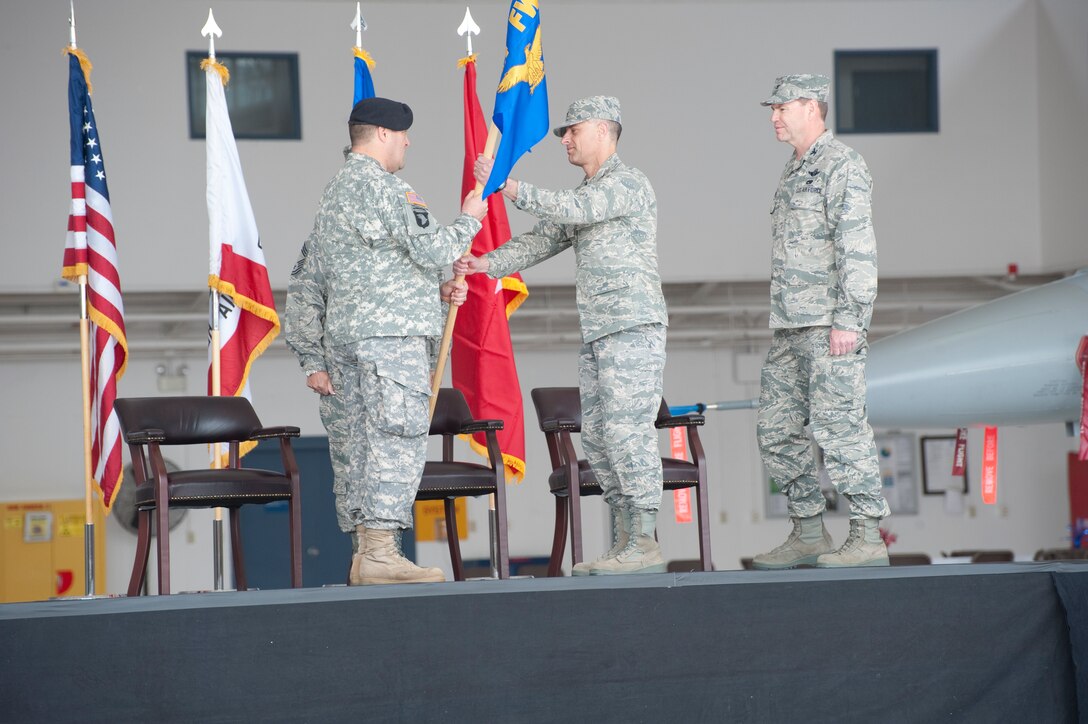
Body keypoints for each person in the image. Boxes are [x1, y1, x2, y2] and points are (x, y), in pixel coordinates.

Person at [454, 96, 668, 576]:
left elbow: (574, 207)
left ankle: (644, 540)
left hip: (632, 327)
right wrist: (486, 264)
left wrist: (505, 184)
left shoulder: (626, 184)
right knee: (598, 433)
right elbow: (543, 238)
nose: (565, 140)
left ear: (603, 130)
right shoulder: (586, 193)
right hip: (600, 331)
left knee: (627, 431)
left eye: (573, 130)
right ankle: (625, 539)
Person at [286, 96, 486, 585]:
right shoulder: (387, 188)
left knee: (358, 448)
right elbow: (434, 246)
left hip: (345, 345)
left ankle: (363, 556)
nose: (407, 142)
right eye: (402, 134)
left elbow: (309, 282)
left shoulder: (332, 195)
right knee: (393, 443)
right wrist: (470, 216)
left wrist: (312, 355)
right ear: (380, 134)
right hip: (390, 344)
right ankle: (380, 554)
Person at [752, 75, 891, 570]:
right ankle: (809, 531)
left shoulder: (841, 165)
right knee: (775, 427)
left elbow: (856, 247)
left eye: (781, 107)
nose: (774, 116)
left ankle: (867, 533)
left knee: (840, 428)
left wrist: (850, 319)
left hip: (831, 324)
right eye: (772, 109)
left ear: (812, 107)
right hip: (790, 326)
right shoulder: (793, 171)